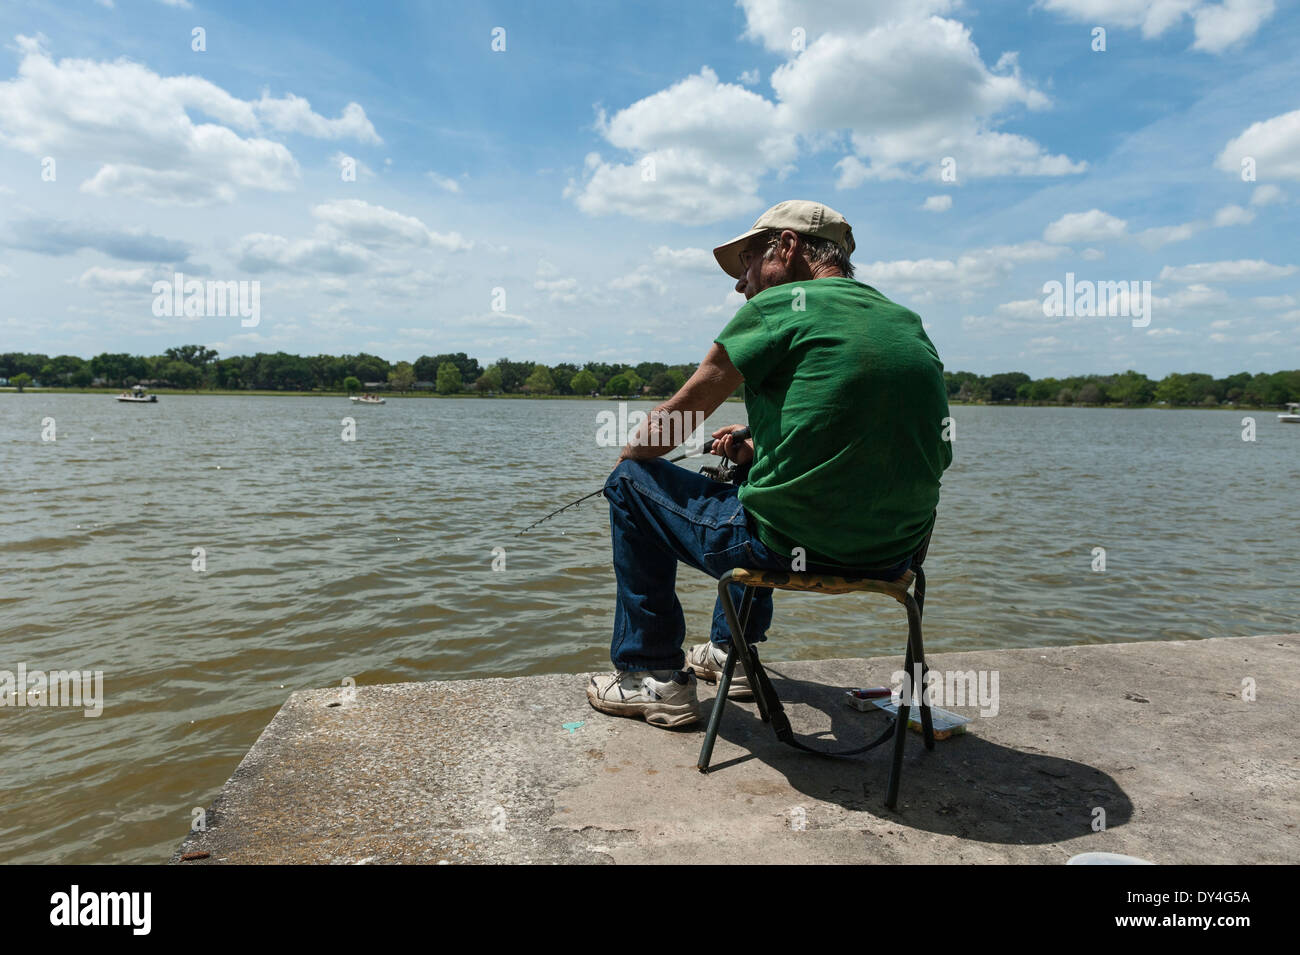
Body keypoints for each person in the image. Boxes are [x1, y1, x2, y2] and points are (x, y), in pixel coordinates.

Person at [587, 200, 953, 728]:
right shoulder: (905, 321)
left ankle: (652, 676)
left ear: (787, 246)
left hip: (784, 548)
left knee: (629, 483)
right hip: (896, 557)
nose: (741, 285)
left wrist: (629, 455)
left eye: (747, 264)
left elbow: (669, 426)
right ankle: (728, 656)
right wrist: (757, 450)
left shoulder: (778, 308)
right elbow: (884, 451)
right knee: (752, 483)